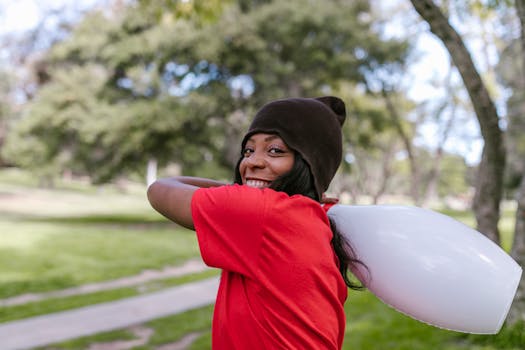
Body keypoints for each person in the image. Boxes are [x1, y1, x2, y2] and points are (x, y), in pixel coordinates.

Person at [147, 96, 363, 349]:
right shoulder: (313, 214)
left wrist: (243, 191)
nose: (251, 161)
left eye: (275, 150)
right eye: (248, 150)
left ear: (309, 164)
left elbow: (160, 189)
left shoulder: (267, 215)